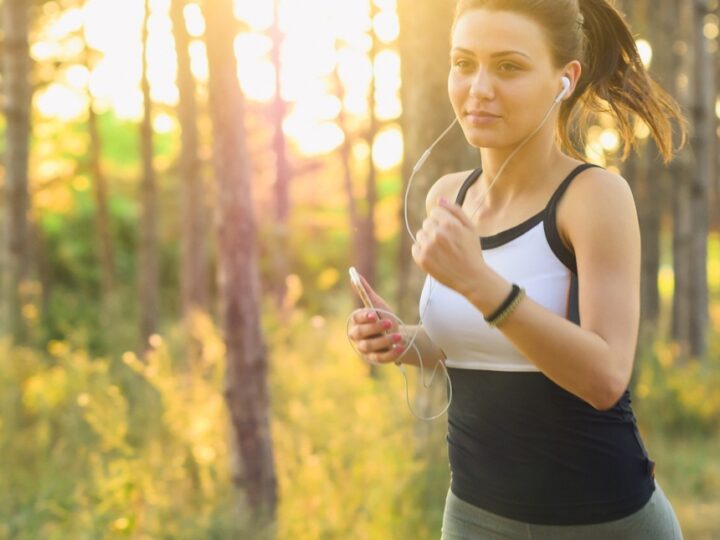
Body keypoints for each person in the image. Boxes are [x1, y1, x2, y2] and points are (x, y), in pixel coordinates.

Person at [347, 0, 689, 538]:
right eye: (464, 63)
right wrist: (403, 341)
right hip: (474, 516)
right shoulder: (447, 196)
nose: (479, 88)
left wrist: (481, 286)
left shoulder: (593, 197)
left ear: (564, 79)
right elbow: (475, 343)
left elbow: (604, 378)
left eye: (508, 66)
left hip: (605, 521)